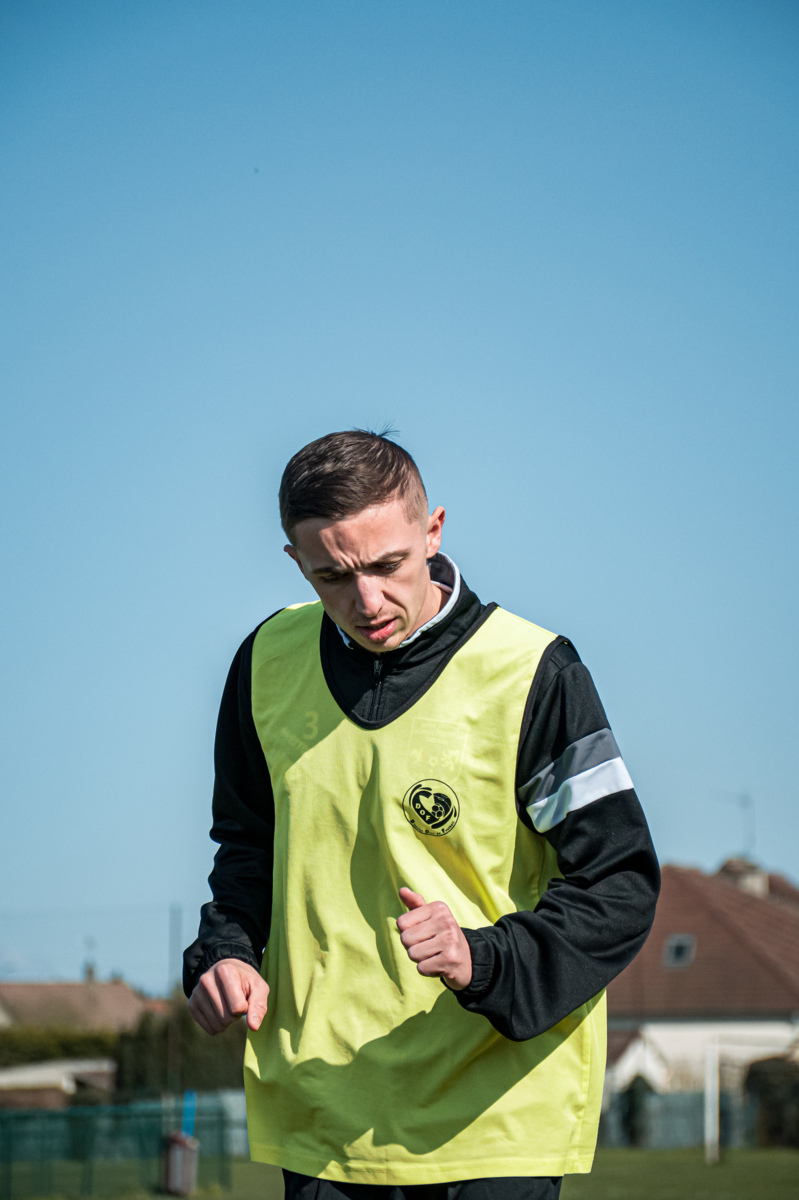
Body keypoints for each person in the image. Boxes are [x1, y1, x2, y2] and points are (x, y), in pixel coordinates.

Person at [184, 430, 660, 1200]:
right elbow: (246, 850)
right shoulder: (264, 663)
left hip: (497, 1114)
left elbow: (618, 884)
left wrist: (485, 958)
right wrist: (227, 952)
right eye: (332, 576)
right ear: (295, 562)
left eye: (386, 565)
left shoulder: (532, 671)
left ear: (432, 531)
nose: (366, 601)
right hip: (324, 1110)